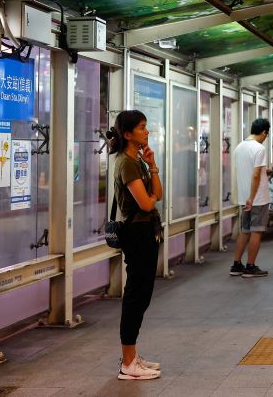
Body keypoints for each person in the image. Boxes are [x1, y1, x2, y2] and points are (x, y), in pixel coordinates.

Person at [106, 110, 163, 380]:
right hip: (137, 232)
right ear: (128, 134)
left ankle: (132, 356)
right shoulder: (126, 163)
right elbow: (146, 203)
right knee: (135, 296)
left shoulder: (137, 160)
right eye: (142, 127)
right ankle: (128, 363)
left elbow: (157, 194)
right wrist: (150, 198)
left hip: (145, 231)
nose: (146, 131)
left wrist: (152, 165)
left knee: (142, 294)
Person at [231, 118, 272, 278]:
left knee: (245, 231)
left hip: (244, 197)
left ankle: (236, 265)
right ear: (263, 132)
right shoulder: (259, 149)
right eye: (266, 135)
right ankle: (250, 266)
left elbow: (248, 171)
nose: (265, 138)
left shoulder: (239, 147)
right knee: (257, 231)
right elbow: (255, 175)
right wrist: (252, 197)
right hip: (257, 198)